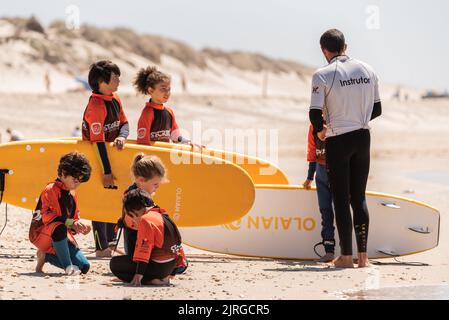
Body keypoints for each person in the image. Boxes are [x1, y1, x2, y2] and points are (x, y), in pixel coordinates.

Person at [309, 29, 382, 268]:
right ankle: (363, 257)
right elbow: (378, 110)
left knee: (340, 198)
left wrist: (321, 130)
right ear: (345, 47)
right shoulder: (368, 70)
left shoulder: (322, 74)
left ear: (324, 50)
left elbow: (314, 113)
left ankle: (346, 257)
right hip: (363, 137)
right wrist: (356, 118)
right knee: (358, 197)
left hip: (338, 139)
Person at [81, 60, 129, 257]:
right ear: (102, 81)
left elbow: (125, 123)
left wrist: (121, 136)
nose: (118, 79)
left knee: (114, 199)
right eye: (115, 76)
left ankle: (110, 243)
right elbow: (97, 142)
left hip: (112, 158)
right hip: (97, 160)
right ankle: (101, 247)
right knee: (99, 201)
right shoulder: (96, 106)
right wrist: (106, 171)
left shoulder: (115, 98)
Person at [29, 152, 92, 275]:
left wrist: (81, 226)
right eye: (75, 180)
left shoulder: (72, 193)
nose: (77, 184)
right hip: (42, 234)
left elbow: (74, 218)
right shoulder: (50, 189)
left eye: (80, 181)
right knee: (59, 227)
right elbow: (48, 217)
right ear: (63, 173)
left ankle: (45, 256)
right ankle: (68, 267)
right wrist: (71, 223)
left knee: (84, 267)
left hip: (62, 236)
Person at [110, 188, 187, 286]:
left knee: (115, 263)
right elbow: (177, 243)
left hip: (158, 267)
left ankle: (153, 280)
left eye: (132, 217)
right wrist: (172, 272)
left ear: (135, 211)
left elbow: (144, 250)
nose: (133, 222)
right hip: (170, 266)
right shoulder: (163, 214)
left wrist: (138, 275)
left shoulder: (145, 220)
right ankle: (163, 278)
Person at [303, 122, 335, 262]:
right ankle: (329, 250)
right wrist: (310, 177)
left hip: (338, 172)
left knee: (340, 210)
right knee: (325, 211)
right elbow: (312, 150)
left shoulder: (339, 121)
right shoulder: (313, 125)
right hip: (321, 174)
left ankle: (347, 251)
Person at [134, 66, 190, 144]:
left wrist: (187, 142)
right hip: (152, 155)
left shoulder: (169, 112)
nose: (167, 93)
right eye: (163, 89)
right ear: (150, 90)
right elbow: (143, 141)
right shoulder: (147, 113)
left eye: (169, 89)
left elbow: (175, 136)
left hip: (164, 154)